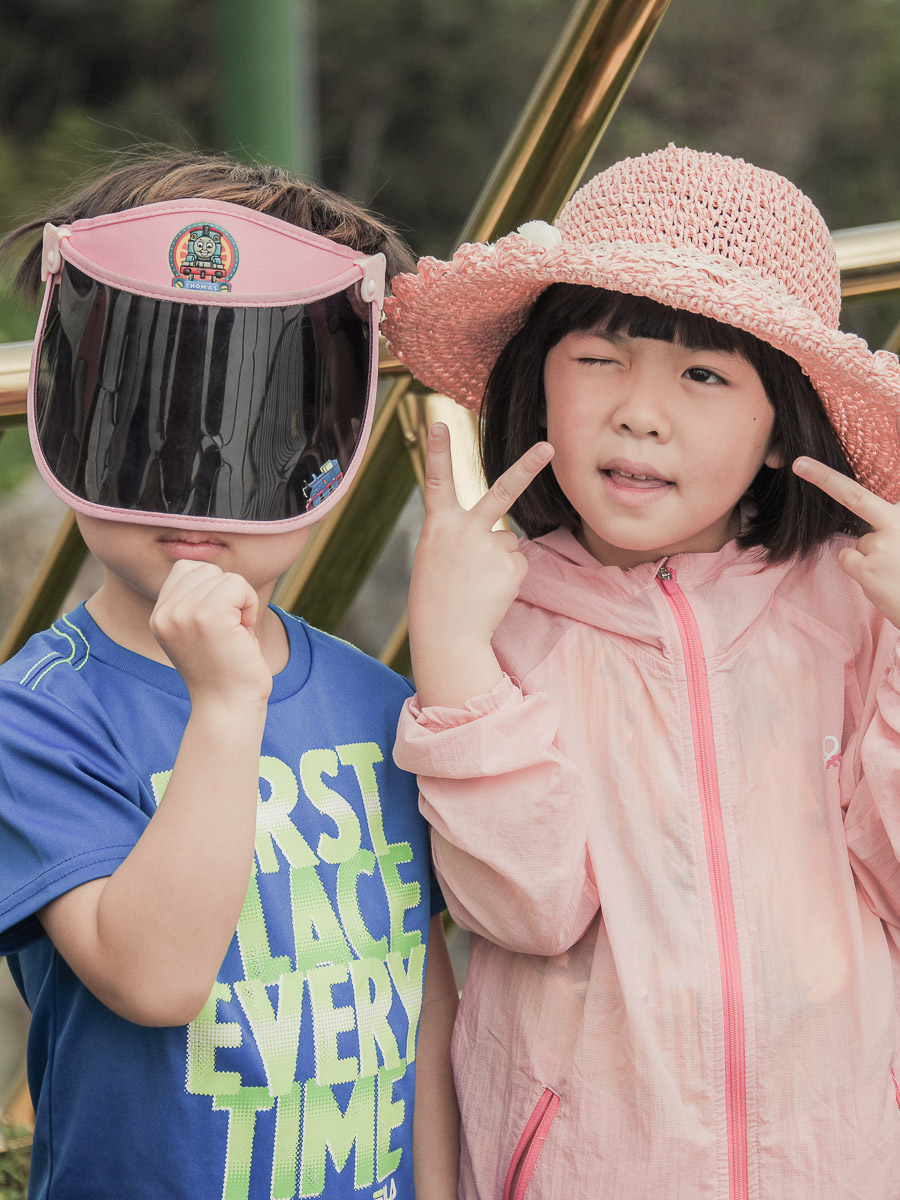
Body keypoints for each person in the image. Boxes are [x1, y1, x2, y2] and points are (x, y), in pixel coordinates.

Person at [382, 143, 900, 1199]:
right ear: (539, 376)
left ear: (778, 430)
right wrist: (451, 658)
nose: (641, 411)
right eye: (601, 357)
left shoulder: (847, 604)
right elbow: (525, 908)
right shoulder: (498, 612)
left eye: (705, 374)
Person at [0, 151, 458, 1200]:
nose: (197, 478)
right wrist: (224, 704)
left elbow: (425, 1003)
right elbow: (154, 980)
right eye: (144, 418)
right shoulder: (36, 721)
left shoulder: (377, 704)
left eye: (263, 419)